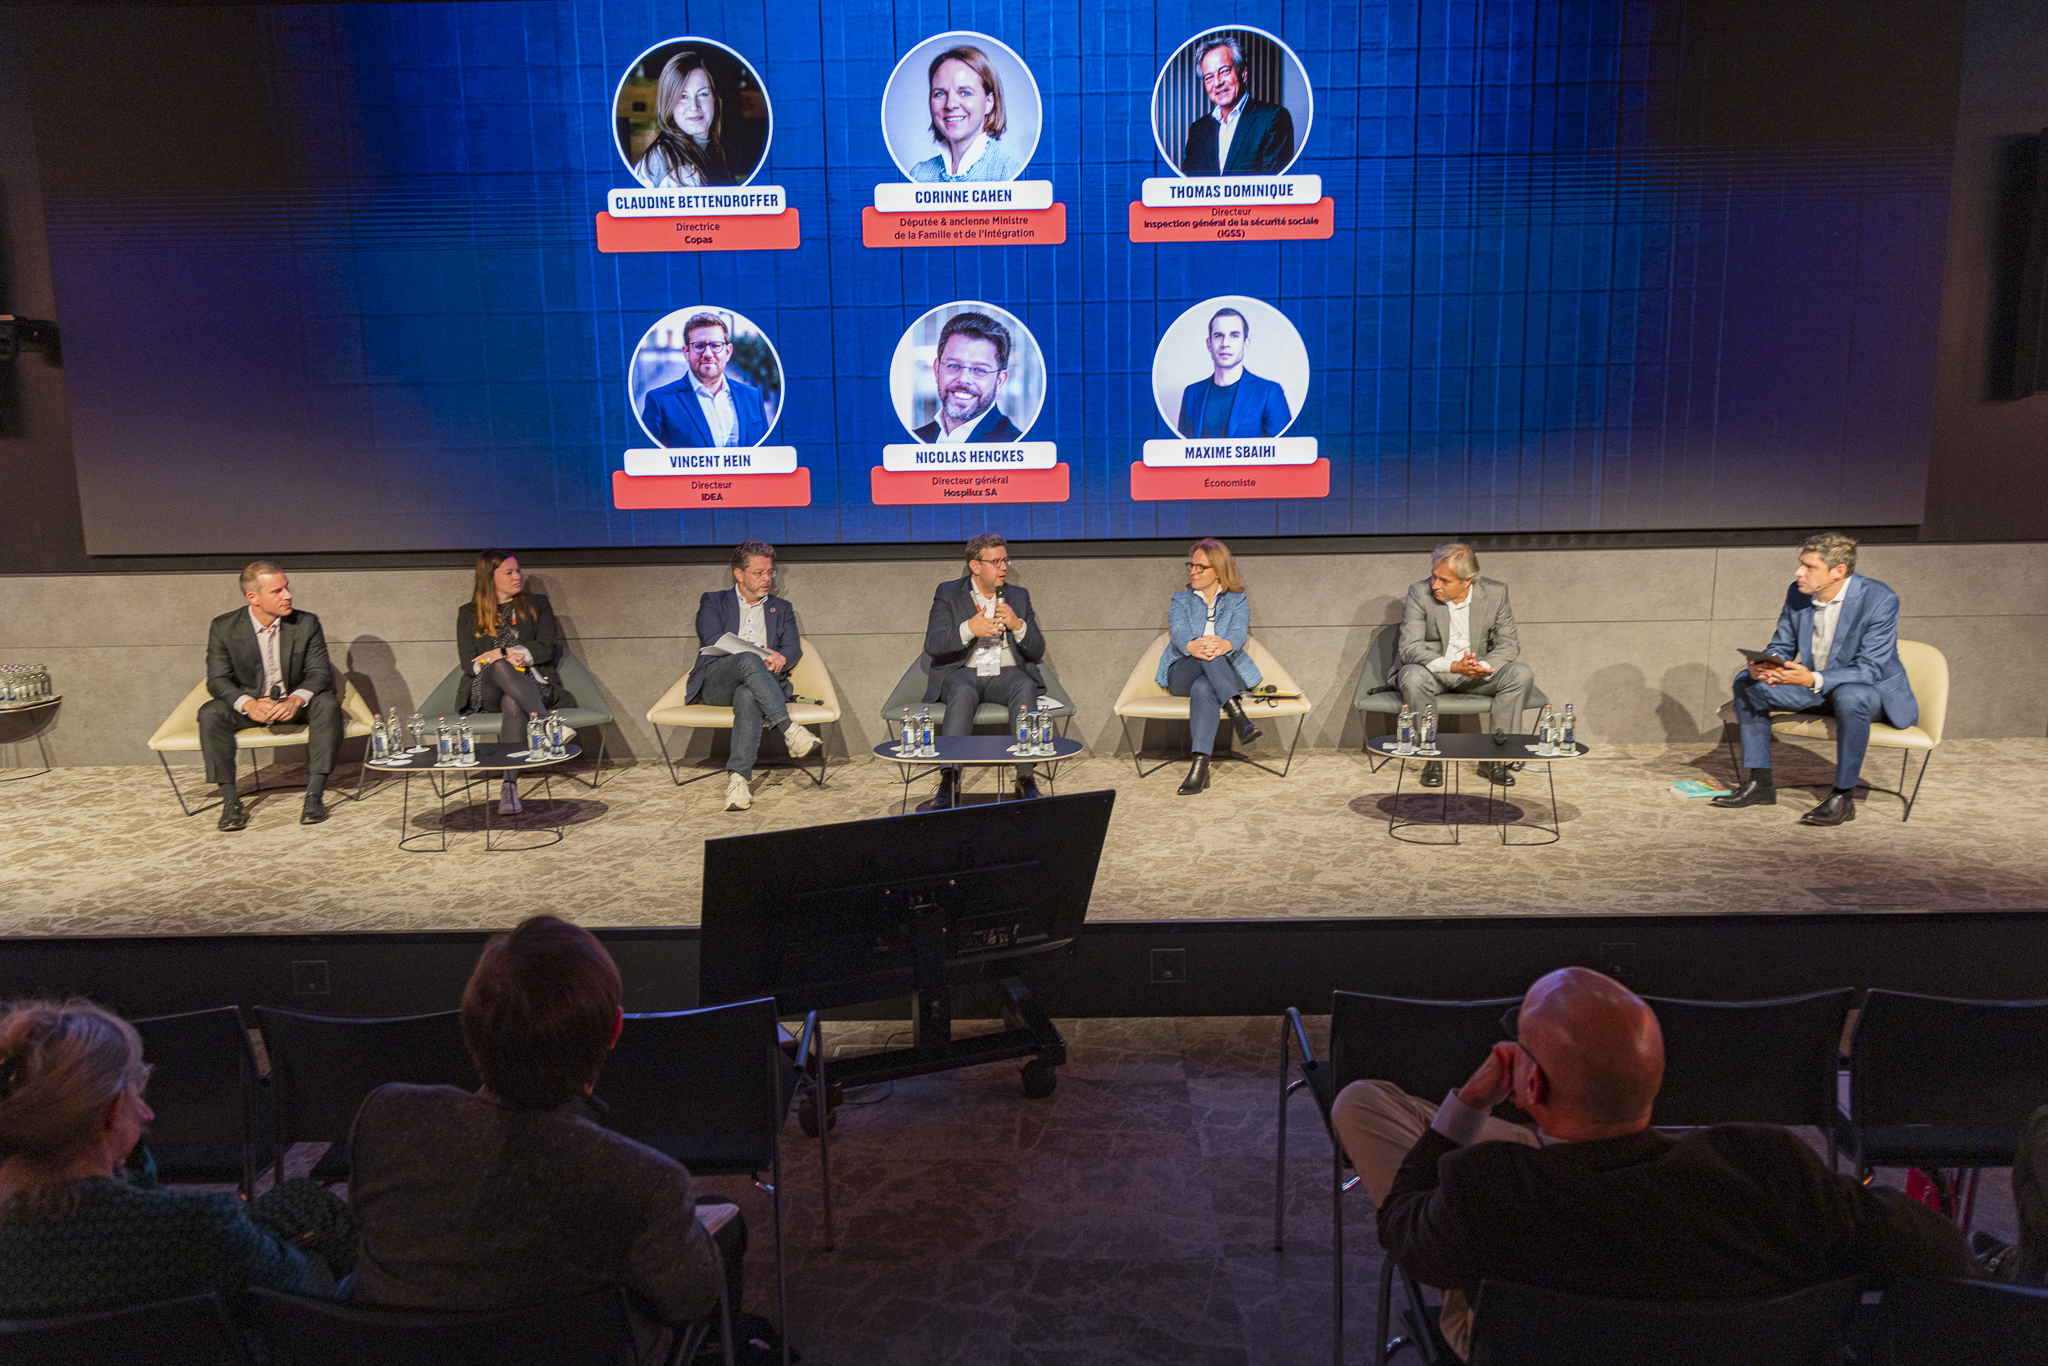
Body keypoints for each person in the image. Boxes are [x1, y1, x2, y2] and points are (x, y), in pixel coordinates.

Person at [1333, 967, 1975, 1361]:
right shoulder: (1769, 1168)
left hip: (1520, 1322)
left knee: (1361, 1104)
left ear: (1531, 1089)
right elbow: (1938, 1252)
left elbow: (1403, 1228)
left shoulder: (1489, 1191)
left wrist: (1467, 1107)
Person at [348, 916, 751, 1366]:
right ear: (615, 1031)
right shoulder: (643, 1183)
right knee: (724, 1233)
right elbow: (690, 1300)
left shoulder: (385, 1116)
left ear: (470, 1026)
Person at [0, 998, 353, 1358]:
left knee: (300, 1197)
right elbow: (300, 1290)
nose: (146, 1113)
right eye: (135, 1088)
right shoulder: (193, 1226)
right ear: (108, 1114)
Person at [1712, 532, 1918, 827]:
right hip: (1814, 689)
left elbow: (1869, 669)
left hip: (1867, 693)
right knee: (1747, 683)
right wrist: (1766, 665)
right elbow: (1782, 646)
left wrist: (1811, 678)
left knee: (1851, 695)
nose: (1799, 573)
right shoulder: (1798, 593)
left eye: (1809, 567)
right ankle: (1760, 783)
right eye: (1800, 564)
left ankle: (1842, 798)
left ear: (1838, 572)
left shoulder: (1879, 599)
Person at [200, 561, 343, 830]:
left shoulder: (306, 623)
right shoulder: (224, 627)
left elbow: (319, 673)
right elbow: (217, 680)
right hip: (252, 708)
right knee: (210, 712)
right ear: (253, 598)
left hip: (294, 705)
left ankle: (314, 795)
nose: (287, 595)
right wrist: (248, 704)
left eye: (287, 587)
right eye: (277, 591)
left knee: (327, 703)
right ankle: (231, 802)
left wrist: (297, 699)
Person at [682, 541, 820, 812]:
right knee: (747, 659)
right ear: (739, 574)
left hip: (760, 683)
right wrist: (761, 652)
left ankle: (738, 780)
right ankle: (789, 729)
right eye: (759, 573)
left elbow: (792, 648)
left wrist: (782, 657)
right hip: (717, 680)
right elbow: (712, 638)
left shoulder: (781, 608)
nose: (767, 578)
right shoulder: (714, 600)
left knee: (748, 695)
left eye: (770, 572)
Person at [1395, 543, 1536, 788]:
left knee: (1520, 674)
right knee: (1412, 676)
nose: (1435, 585)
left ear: (1467, 581)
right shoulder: (1419, 593)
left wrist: (1480, 666)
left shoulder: (1495, 593)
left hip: (1477, 675)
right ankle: (1431, 757)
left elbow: (1509, 644)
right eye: (1433, 576)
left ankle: (1495, 758)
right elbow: (1410, 646)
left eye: (1444, 580)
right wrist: (1452, 666)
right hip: (1435, 673)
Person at [922, 533, 1046, 808]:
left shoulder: (1018, 595)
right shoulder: (948, 592)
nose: (1003, 567)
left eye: (1005, 560)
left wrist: (1017, 625)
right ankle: (949, 779)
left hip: (1005, 672)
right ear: (975, 566)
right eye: (996, 561)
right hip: (964, 671)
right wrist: (968, 629)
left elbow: (1037, 650)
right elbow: (933, 642)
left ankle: (1025, 779)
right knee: (963, 691)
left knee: (1024, 685)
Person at [457, 550, 562, 817]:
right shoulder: (468, 614)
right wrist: (499, 658)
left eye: (518, 570)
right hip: (486, 689)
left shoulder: (538, 604)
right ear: (489, 578)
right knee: (501, 667)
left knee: (512, 701)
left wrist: (502, 652)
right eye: (509, 572)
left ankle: (509, 787)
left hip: (531, 684)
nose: (517, 577)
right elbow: (468, 663)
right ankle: (548, 724)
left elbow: (546, 647)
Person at [1156, 538, 1263, 795]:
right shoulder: (1181, 600)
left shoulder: (1237, 600)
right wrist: (1195, 646)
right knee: (1207, 657)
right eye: (1190, 566)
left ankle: (1199, 768)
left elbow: (1238, 634)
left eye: (1200, 567)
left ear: (1218, 569)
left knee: (1205, 687)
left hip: (1222, 671)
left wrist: (1222, 645)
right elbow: (1180, 633)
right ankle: (1238, 716)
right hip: (1184, 669)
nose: (1193, 571)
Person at [639, 311, 772, 450]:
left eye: (715, 345)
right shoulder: (660, 402)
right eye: (699, 346)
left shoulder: (752, 397)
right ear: (686, 352)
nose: (708, 354)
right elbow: (650, 461)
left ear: (727, 352)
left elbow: (766, 453)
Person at [1177, 35, 1295, 176]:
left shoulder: (1273, 119)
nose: (1217, 83)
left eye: (1224, 71)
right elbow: (1188, 188)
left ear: (1243, 73)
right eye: (1209, 77)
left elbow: (1273, 187)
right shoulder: (1198, 130)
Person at [908, 46, 1022, 183]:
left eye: (965, 93)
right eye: (940, 94)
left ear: (989, 103)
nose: (950, 104)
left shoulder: (1010, 171)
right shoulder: (919, 175)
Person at [1175, 307, 1292, 439]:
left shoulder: (1269, 392)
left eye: (1234, 336)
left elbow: (1284, 452)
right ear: (1209, 344)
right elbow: (1182, 453)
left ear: (1246, 344)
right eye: (1218, 336)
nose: (1225, 343)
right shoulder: (1192, 393)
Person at [913, 311, 1024, 444]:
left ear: (999, 382)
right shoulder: (913, 441)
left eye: (979, 370)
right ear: (937, 370)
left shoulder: (1016, 445)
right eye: (954, 366)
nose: (964, 379)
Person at [632, 50, 735, 189]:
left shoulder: (714, 151)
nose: (694, 106)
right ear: (668, 102)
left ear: (715, 99)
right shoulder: (675, 167)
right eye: (683, 97)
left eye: (703, 94)